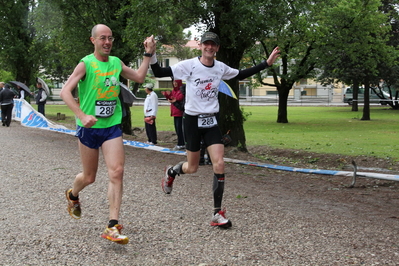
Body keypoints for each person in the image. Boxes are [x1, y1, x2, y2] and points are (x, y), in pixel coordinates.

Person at [150, 31, 280, 228]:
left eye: (213, 45)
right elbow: (158, 73)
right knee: (192, 168)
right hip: (192, 121)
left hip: (211, 122)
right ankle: (172, 171)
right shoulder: (189, 66)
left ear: (217, 48)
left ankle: (216, 213)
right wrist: (151, 54)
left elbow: (241, 74)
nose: (209, 47)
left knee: (219, 163)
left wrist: (266, 64)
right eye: (206, 44)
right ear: (201, 46)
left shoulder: (220, 68)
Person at [60, 24, 155, 244]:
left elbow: (140, 77)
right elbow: (65, 92)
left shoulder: (116, 63)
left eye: (110, 38)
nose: (107, 42)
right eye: (102, 38)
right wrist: (82, 115)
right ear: (93, 40)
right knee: (89, 177)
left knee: (117, 171)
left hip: (112, 126)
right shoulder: (86, 64)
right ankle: (73, 194)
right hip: (89, 128)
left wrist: (148, 53)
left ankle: (113, 225)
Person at [164, 79, 185, 150]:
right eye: (173, 82)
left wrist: (173, 99)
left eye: (176, 82)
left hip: (180, 112)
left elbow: (180, 98)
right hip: (174, 112)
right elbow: (171, 98)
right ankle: (180, 142)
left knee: (180, 129)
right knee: (177, 128)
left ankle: (181, 143)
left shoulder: (181, 90)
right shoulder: (173, 90)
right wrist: (167, 95)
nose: (174, 84)